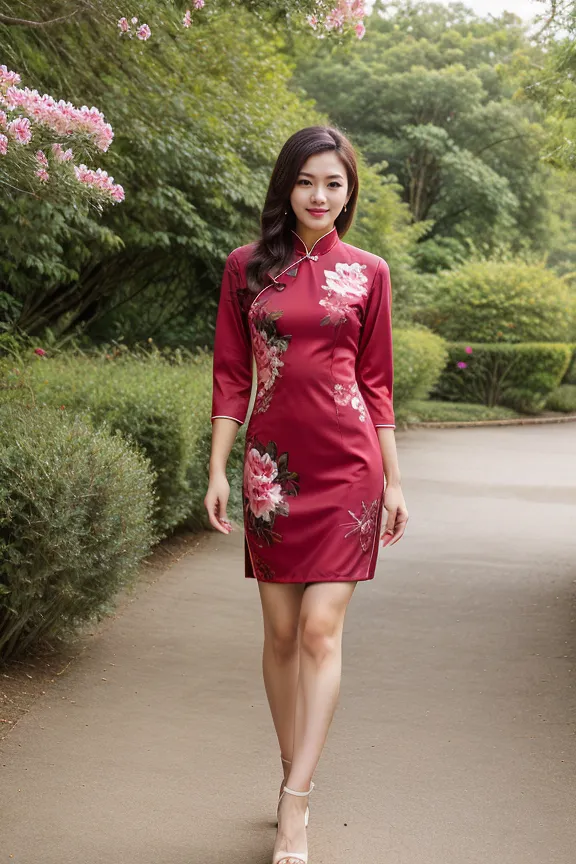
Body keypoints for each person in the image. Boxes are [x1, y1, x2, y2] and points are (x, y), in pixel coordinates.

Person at [204, 125, 408, 864]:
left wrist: (394, 480)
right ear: (285, 186)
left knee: (322, 631)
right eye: (306, 182)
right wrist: (219, 468)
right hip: (272, 470)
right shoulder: (245, 269)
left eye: (334, 184)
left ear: (349, 192)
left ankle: (296, 803)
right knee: (282, 637)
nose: (320, 196)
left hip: (350, 468)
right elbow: (232, 375)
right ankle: (294, 768)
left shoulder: (370, 273)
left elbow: (376, 384)